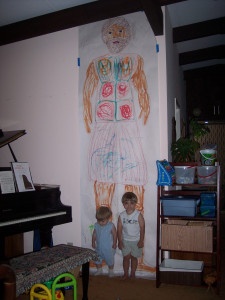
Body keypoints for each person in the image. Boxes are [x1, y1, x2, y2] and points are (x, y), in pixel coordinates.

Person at [83, 16, 150, 211]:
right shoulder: (96, 63)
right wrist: (88, 121)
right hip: (103, 124)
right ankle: (104, 221)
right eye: (111, 32)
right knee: (102, 172)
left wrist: (144, 115)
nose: (116, 36)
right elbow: (87, 93)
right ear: (105, 36)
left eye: (120, 31)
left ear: (127, 35)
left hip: (128, 124)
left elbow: (142, 89)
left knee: (134, 171)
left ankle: (137, 223)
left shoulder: (135, 60)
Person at [117, 192, 145, 279]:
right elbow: (119, 229)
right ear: (123, 204)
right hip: (125, 240)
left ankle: (133, 273)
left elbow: (142, 228)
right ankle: (125, 274)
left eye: (132, 203)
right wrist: (120, 241)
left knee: (134, 258)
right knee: (126, 258)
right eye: (126, 203)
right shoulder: (121, 216)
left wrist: (141, 240)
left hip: (136, 241)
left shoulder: (138, 215)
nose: (129, 205)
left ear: (135, 204)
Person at [92, 206, 117, 277]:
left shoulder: (111, 226)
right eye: (99, 220)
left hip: (108, 248)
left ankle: (111, 271)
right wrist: (93, 242)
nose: (100, 223)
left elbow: (115, 235)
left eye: (103, 221)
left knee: (110, 260)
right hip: (99, 248)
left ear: (108, 218)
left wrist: (115, 243)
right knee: (97, 259)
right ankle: (99, 270)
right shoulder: (96, 225)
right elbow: (94, 234)